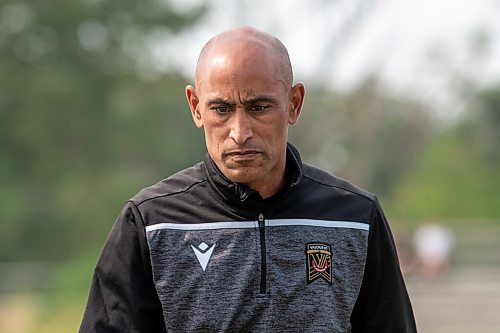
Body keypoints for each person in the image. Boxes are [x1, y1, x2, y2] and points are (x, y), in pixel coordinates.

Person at [79, 26, 416, 332]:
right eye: (221, 109)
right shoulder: (149, 222)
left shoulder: (356, 217)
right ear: (196, 107)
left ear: (294, 104)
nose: (239, 132)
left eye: (259, 108)